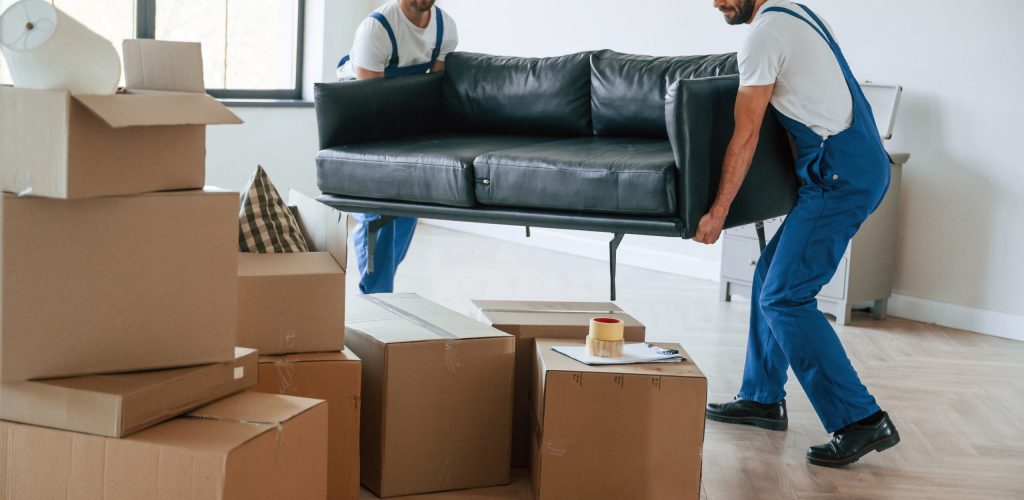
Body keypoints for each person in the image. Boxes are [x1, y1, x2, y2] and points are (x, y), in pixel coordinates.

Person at [700, 0, 900, 468]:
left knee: (785, 297)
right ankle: (762, 398)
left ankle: (860, 420)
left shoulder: (762, 37)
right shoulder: (797, 13)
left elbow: (745, 134)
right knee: (771, 276)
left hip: (838, 174)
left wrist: (718, 210)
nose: (716, 3)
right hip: (849, 164)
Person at [337, 0, 458, 293]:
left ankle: (380, 293)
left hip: (406, 119)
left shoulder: (446, 28)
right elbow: (372, 104)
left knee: (407, 209)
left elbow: (434, 92)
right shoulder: (376, 28)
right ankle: (374, 302)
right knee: (378, 212)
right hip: (360, 119)